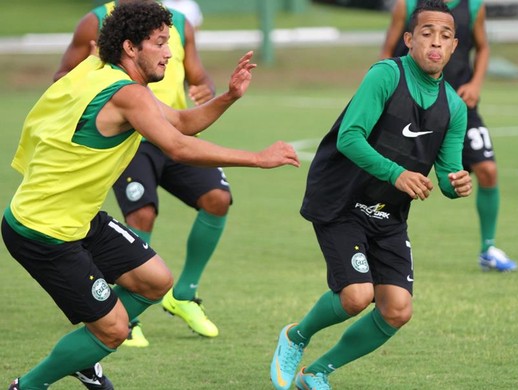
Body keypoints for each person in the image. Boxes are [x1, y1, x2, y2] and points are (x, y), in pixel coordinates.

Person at [3, 2, 299, 389]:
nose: (169, 53)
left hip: (77, 217)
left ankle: (87, 351)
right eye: (160, 43)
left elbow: (178, 120)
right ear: (129, 47)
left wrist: (227, 97)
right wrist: (258, 159)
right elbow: (178, 146)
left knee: (155, 280)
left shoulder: (99, 71)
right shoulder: (128, 95)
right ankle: (28, 385)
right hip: (42, 232)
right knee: (113, 331)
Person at [269, 1, 472, 389]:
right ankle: (296, 336)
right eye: (427, 33)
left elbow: (447, 174)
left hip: (387, 212)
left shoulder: (454, 107)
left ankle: (316, 373)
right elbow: (349, 137)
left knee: (397, 310)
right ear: (409, 39)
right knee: (357, 295)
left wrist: (456, 184)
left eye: (445, 36)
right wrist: (397, 174)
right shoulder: (385, 75)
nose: (436, 42)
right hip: (340, 199)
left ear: (454, 46)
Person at [54, 0, 223, 348]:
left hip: (173, 129)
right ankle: (125, 314)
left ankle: (185, 295)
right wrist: (93, 70)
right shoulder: (96, 21)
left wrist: (207, 87)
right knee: (142, 212)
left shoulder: (179, 22)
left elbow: (197, 72)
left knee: (217, 199)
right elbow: (61, 78)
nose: (164, 49)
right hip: (128, 134)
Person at [381, 0, 517, 272]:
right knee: (387, 176)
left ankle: (488, 249)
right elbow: (387, 51)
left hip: (460, 106)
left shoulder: (475, 6)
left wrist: (475, 83)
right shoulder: (407, 6)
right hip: (412, 106)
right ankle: (368, 236)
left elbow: (483, 48)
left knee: (488, 170)